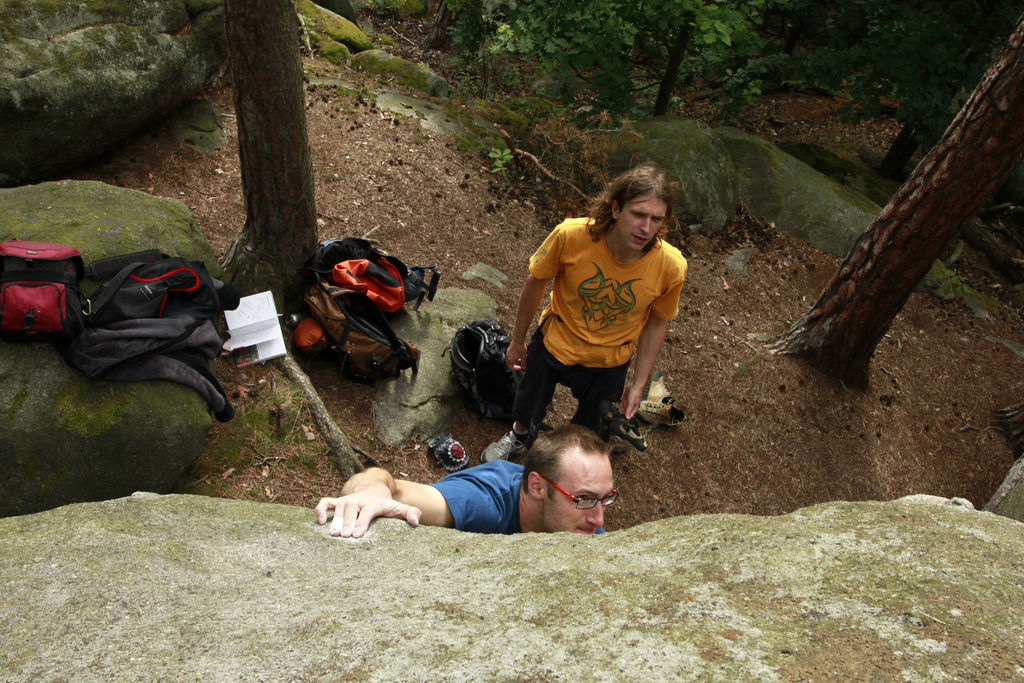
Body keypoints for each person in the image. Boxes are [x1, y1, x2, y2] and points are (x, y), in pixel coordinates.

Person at [481, 163, 688, 462]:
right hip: (557, 337)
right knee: (529, 401)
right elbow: (536, 282)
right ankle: (520, 435)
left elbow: (657, 323)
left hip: (610, 358)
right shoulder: (571, 236)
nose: (646, 228)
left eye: (656, 219)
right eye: (638, 214)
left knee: (592, 426)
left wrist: (639, 383)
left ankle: (567, 464)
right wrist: (517, 340)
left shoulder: (670, 266)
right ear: (616, 209)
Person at [315, 424, 617, 537]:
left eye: (605, 499)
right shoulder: (483, 502)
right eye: (584, 499)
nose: (599, 519)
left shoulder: (583, 524)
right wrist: (370, 491)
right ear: (537, 487)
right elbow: (388, 484)